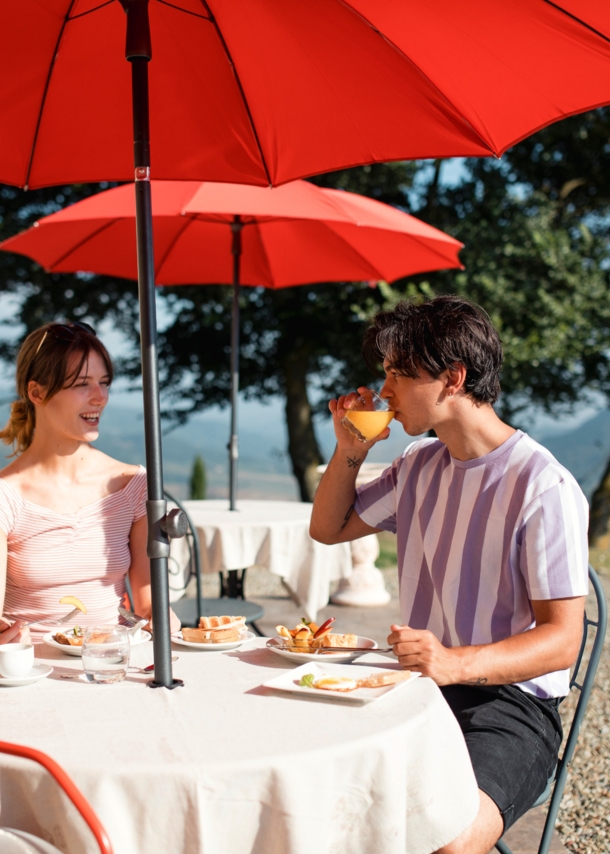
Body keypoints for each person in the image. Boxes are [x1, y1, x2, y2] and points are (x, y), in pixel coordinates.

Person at [310, 296, 588, 854]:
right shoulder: (418, 465)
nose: (382, 390)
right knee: (310, 792)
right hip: (417, 691)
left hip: (509, 706)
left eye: (397, 374)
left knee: (449, 843)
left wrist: (455, 663)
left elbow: (562, 642)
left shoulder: (543, 486)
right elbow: (329, 528)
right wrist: (351, 452)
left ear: (452, 379)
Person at [0, 321, 180, 644]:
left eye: (105, 382)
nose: (100, 397)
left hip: (113, 663)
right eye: (82, 384)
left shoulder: (133, 485)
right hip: (33, 671)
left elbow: (148, 602)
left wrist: (160, 615)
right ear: (36, 392)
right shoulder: (6, 497)